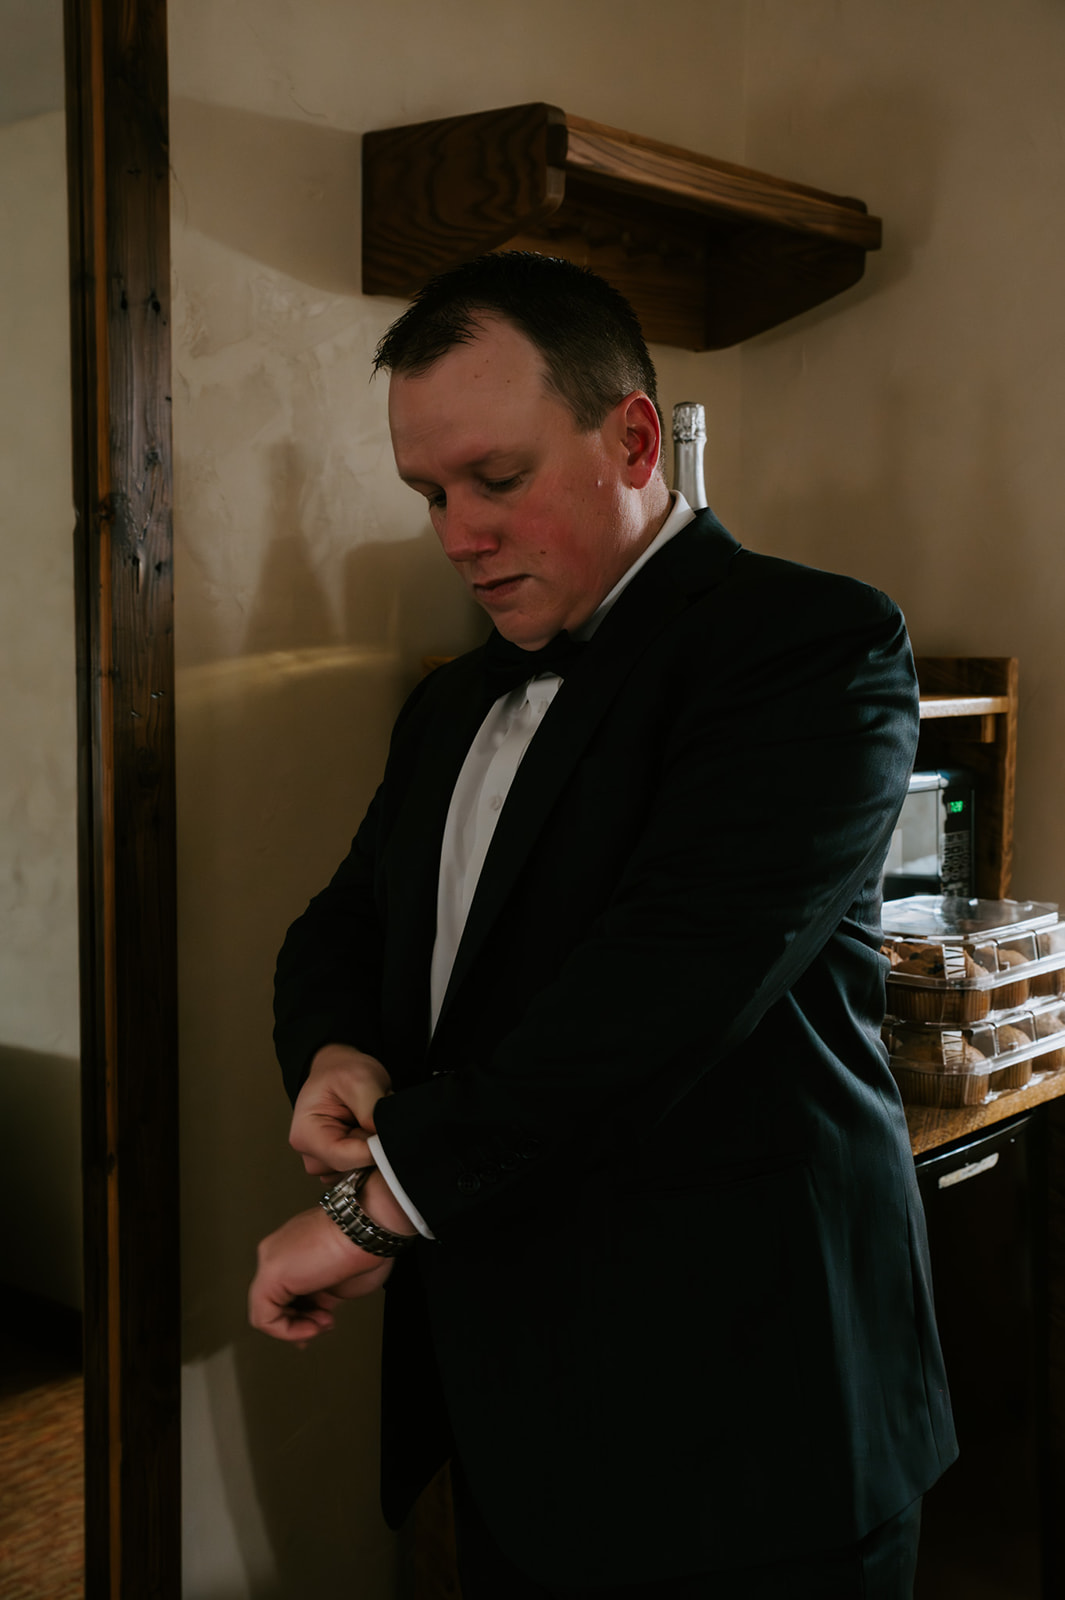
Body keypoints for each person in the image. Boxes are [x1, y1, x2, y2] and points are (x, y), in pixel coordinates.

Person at [248, 252, 957, 1598]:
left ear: (634, 440)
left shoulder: (810, 645)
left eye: (496, 479)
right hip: (511, 1406)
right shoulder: (450, 703)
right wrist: (336, 1050)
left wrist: (376, 1206)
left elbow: (664, 987)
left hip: (753, 1418)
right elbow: (345, 921)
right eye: (431, 495)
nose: (457, 534)